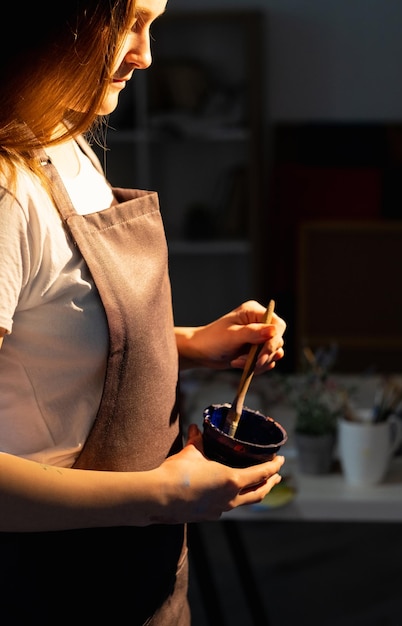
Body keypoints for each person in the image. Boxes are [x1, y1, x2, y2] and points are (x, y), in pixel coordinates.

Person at [0, 0, 287, 623]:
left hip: (139, 571)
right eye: (128, 22)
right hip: (48, 584)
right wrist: (162, 491)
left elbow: (50, 338)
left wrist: (187, 341)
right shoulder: (6, 188)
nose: (146, 54)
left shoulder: (66, 143)